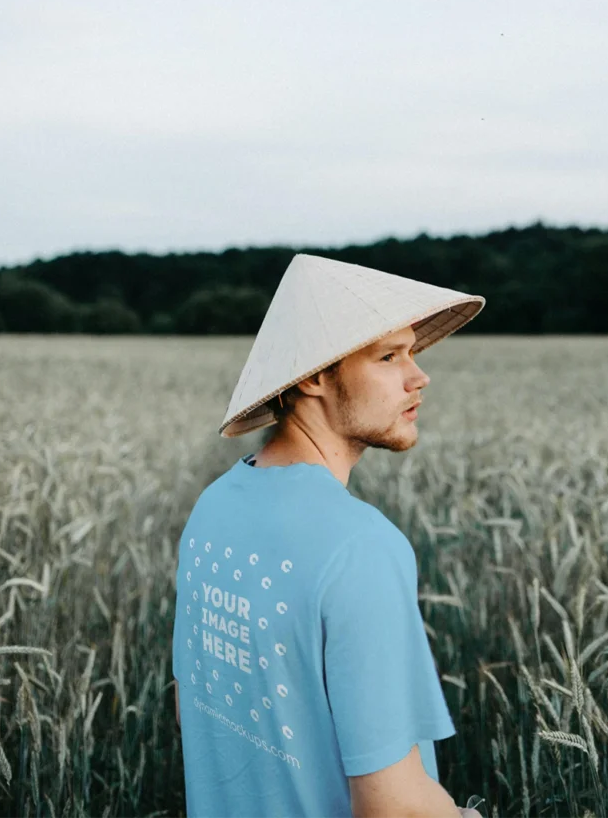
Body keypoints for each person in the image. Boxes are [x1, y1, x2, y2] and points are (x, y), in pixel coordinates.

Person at [172, 252, 485, 817]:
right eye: (389, 355)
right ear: (314, 374)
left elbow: (194, 708)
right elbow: (394, 807)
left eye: (412, 352)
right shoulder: (360, 546)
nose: (419, 376)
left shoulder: (211, 510)